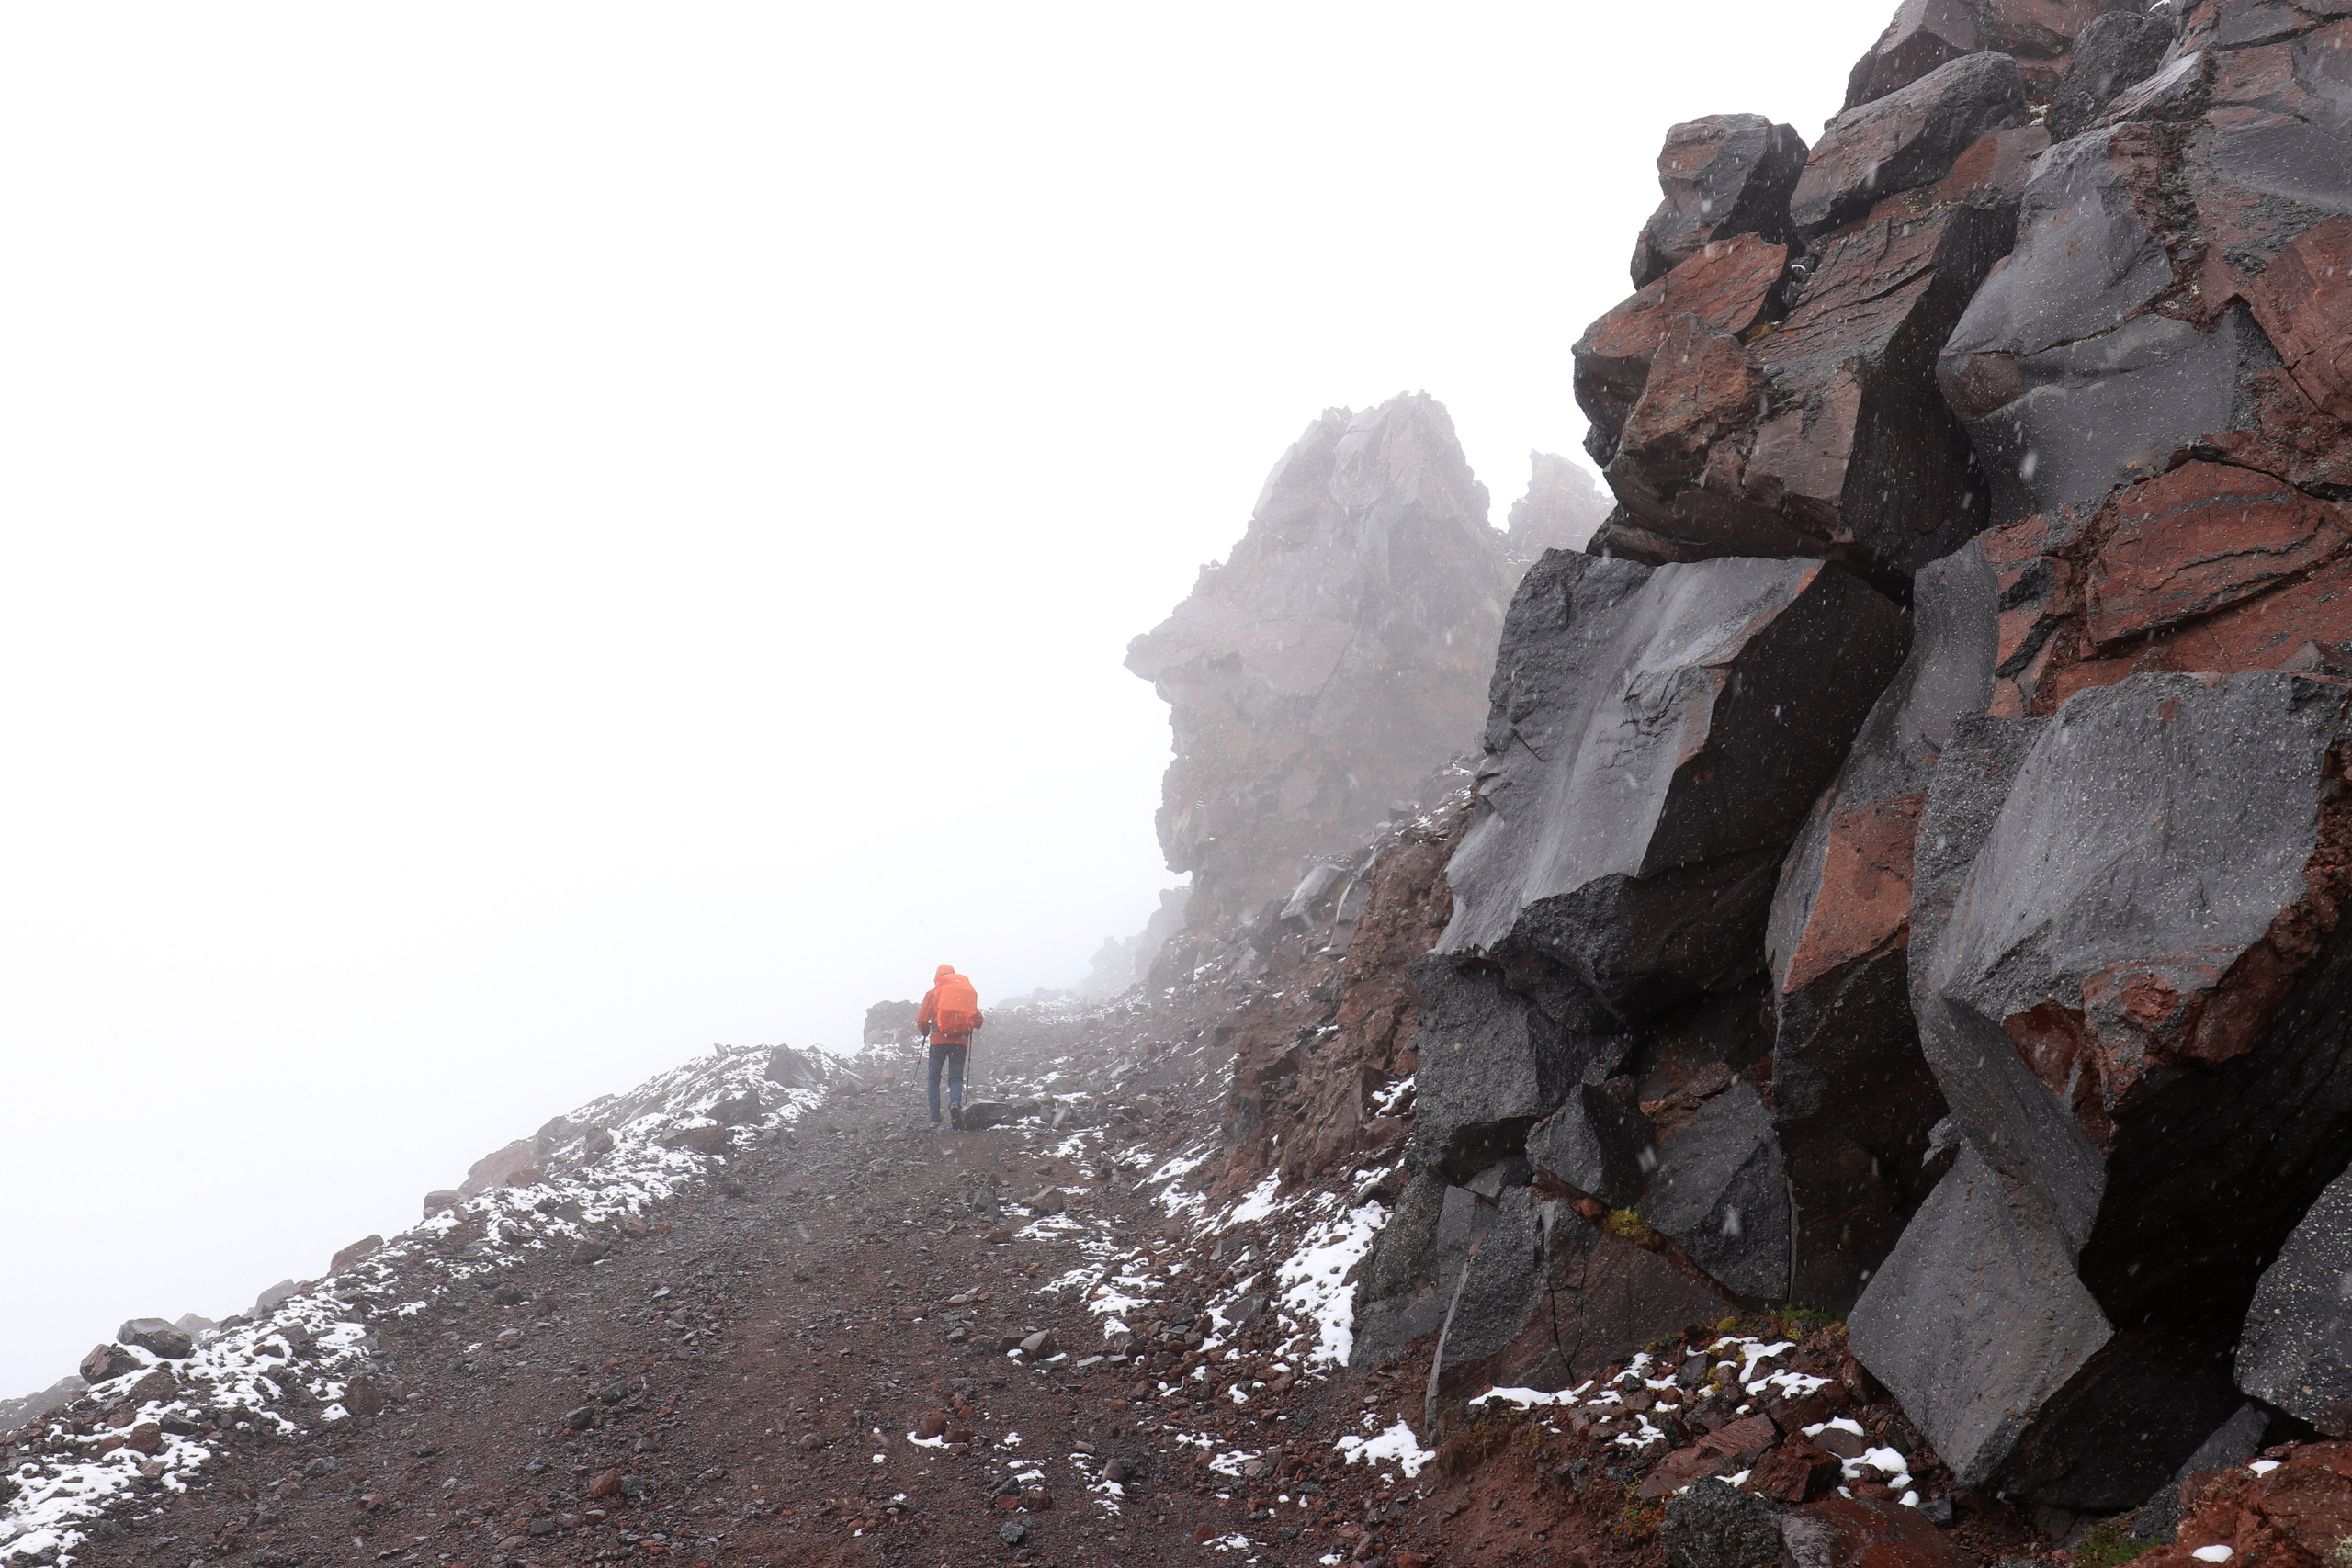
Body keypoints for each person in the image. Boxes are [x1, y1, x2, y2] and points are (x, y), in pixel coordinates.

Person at [916, 964, 983, 1129]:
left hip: (938, 1041)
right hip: (959, 1042)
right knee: (955, 1077)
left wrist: (925, 1031)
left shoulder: (933, 993)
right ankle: (955, 1103)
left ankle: (935, 1119)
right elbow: (979, 1020)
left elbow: (922, 1020)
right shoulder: (963, 995)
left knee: (934, 1078)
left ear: (937, 978)